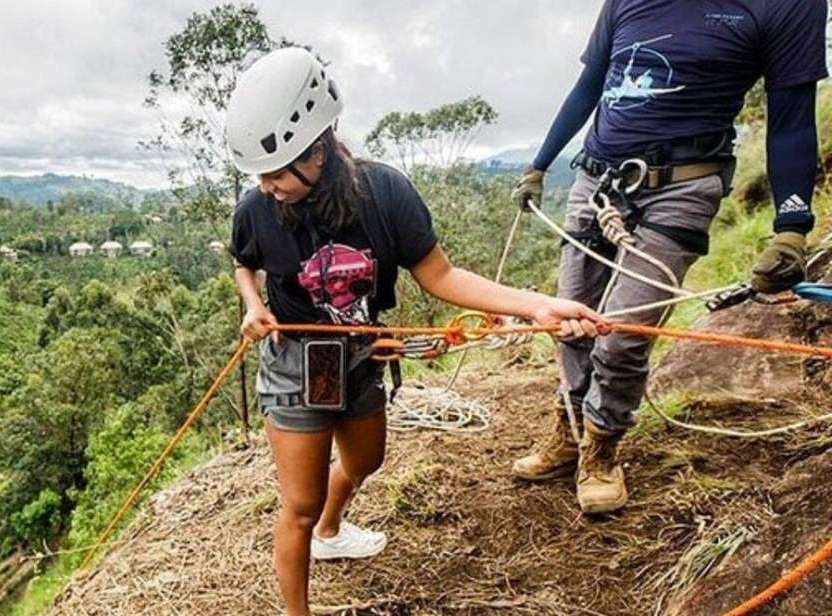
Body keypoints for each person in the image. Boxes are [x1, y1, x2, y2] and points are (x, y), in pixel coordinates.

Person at [227, 47, 607, 616]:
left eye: (278, 170)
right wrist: (253, 305)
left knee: (365, 462)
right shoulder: (256, 208)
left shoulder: (383, 194)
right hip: (297, 359)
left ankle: (331, 534)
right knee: (299, 504)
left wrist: (538, 307)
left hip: (360, 354)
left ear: (321, 148)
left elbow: (441, 274)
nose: (267, 184)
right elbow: (244, 263)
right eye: (259, 173)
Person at [511, 0, 828, 514]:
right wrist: (539, 164)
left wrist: (792, 226)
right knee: (569, 319)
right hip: (595, 180)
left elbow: (791, 119)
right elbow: (591, 86)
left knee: (622, 333)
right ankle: (570, 431)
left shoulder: (786, 4)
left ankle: (602, 449)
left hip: (682, 186)